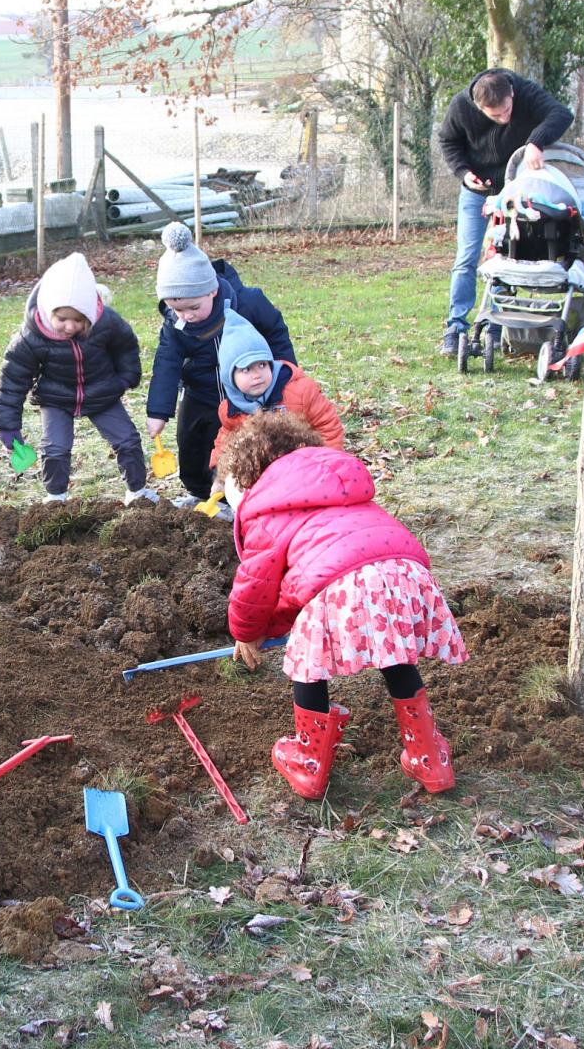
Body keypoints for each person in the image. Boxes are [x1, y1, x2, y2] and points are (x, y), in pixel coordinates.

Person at [222, 413, 464, 800]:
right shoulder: (341, 485)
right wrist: (280, 621)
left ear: (252, 473)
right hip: (402, 571)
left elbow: (255, 585)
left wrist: (247, 633)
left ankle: (308, 765)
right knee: (396, 655)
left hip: (345, 582)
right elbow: (306, 578)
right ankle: (430, 759)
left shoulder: (267, 509)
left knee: (309, 658)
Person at [144, 223, 295, 508]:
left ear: (211, 291)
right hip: (199, 391)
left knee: (233, 445)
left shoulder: (247, 303)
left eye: (192, 307)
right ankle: (199, 493)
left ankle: (230, 496)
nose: (186, 315)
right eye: (177, 309)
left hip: (241, 393)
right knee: (190, 441)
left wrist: (283, 371)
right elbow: (167, 362)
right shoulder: (175, 324)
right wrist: (158, 411)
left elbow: (276, 331)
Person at [0, 252, 152, 504]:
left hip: (101, 391)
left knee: (128, 440)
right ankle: (56, 498)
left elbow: (126, 346)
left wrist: (125, 378)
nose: (69, 327)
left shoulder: (105, 322)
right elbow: (13, 380)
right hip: (57, 397)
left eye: (78, 320)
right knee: (55, 447)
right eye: (62, 319)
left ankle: (138, 493)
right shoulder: (31, 336)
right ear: (48, 310)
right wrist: (7, 424)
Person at [436, 69, 574, 354]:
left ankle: (497, 326)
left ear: (512, 93)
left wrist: (535, 141)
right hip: (477, 192)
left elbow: (561, 114)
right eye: (495, 116)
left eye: (507, 111)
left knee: (507, 255)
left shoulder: (524, 91)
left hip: (516, 191)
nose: (504, 119)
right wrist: (463, 173)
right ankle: (456, 326)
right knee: (466, 258)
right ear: (478, 107)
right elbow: (448, 141)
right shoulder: (461, 106)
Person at [208, 309, 345, 487]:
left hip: (309, 468)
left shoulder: (301, 391)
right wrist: (220, 473)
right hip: (264, 478)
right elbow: (226, 442)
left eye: (262, 365)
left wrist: (328, 464)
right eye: (246, 369)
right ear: (229, 377)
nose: (257, 375)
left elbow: (328, 427)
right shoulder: (231, 410)